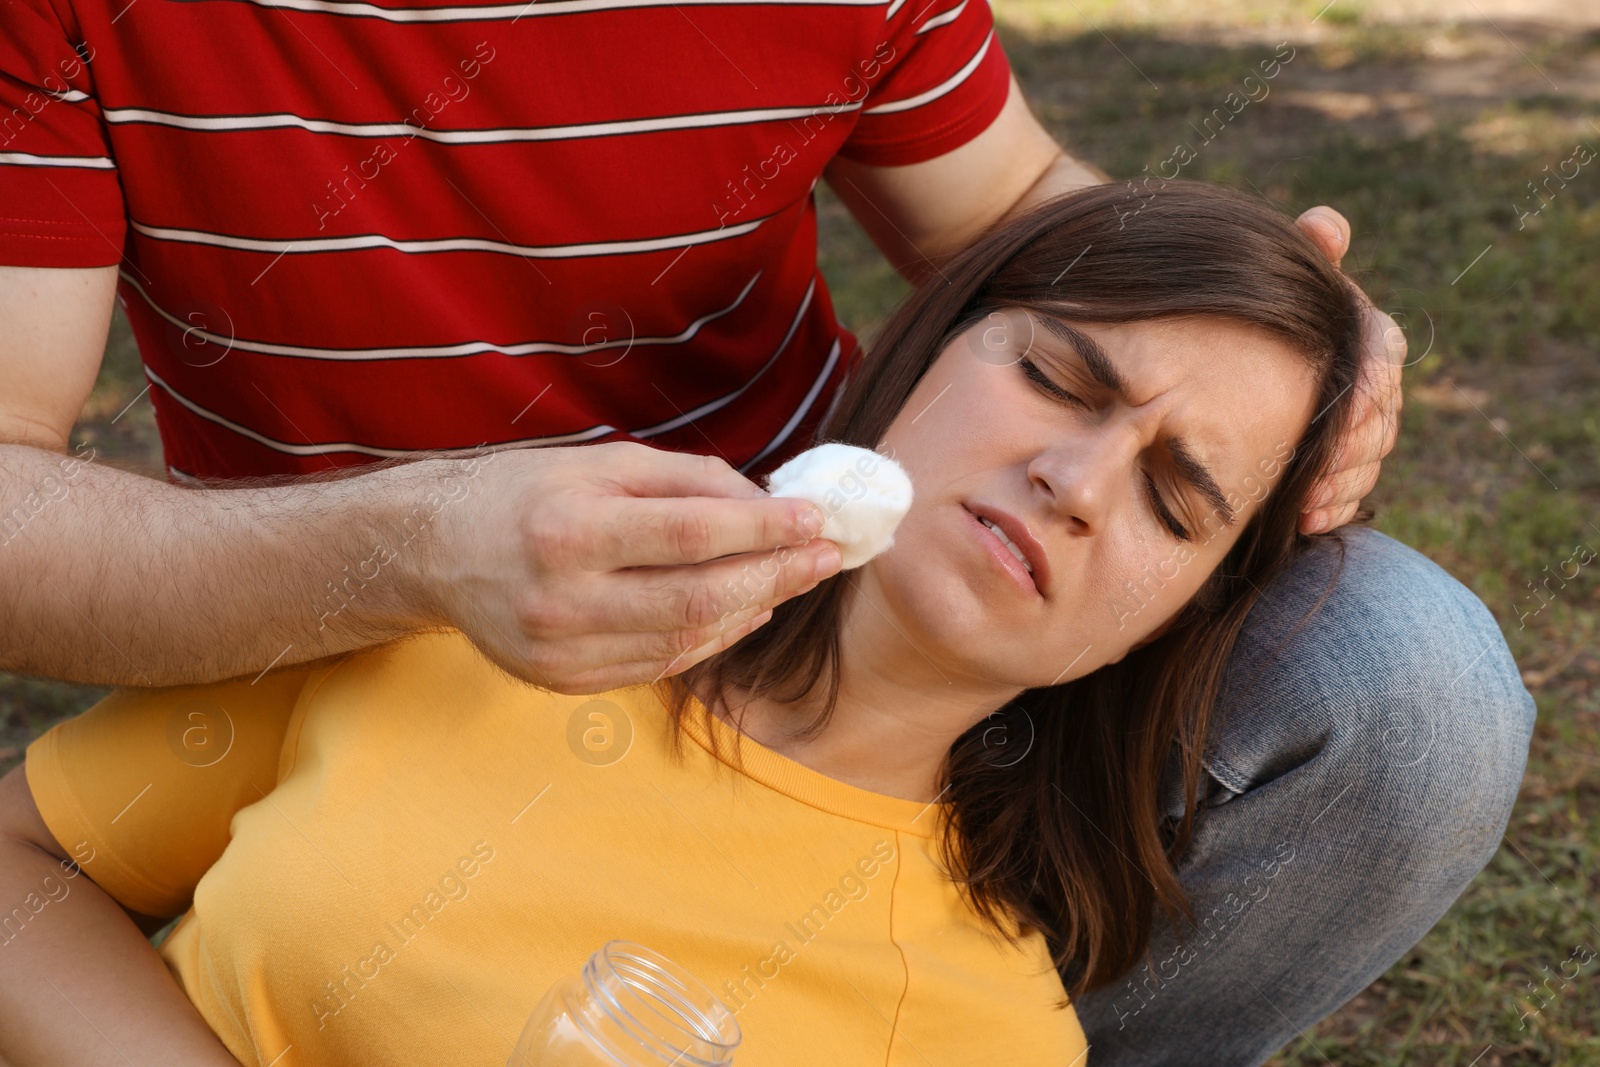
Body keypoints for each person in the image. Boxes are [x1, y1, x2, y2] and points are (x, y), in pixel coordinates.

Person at [0, 0, 1531, 1060]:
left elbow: (1037, 234)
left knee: (1413, 676)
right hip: (358, 620)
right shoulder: (390, 676)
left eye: (1179, 503)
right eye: (1057, 379)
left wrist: (1274, 332)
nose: (1075, 477)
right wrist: (408, 552)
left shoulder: (974, 1024)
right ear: (926, 357)